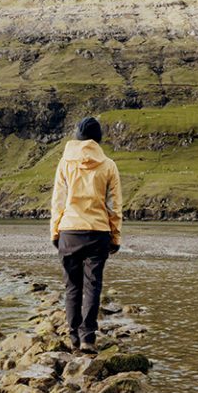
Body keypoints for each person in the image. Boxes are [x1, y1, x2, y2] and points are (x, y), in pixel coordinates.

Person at [50, 116, 122, 353]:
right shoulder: (108, 165)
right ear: (98, 140)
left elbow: (58, 202)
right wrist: (115, 236)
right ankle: (88, 338)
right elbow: (114, 205)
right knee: (92, 286)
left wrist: (55, 231)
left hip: (69, 231)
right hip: (98, 231)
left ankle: (72, 337)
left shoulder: (65, 163)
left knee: (72, 287)